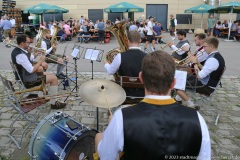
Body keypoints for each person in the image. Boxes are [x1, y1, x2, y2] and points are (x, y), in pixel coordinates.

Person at [95, 50, 211, 160]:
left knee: (98, 137)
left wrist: (110, 130)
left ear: (141, 78)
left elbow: (106, 156)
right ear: (173, 83)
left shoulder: (121, 117)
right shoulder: (197, 119)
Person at [11, 34, 66, 109]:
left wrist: (33, 53)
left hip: (25, 75)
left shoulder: (19, 51)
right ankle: (54, 103)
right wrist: (41, 60)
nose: (29, 44)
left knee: (50, 74)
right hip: (28, 80)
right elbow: (31, 70)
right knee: (54, 79)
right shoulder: (20, 55)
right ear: (22, 43)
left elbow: (30, 60)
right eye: (28, 43)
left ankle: (41, 95)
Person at [176, 37, 225, 107]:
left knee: (178, 84)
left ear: (212, 47)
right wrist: (198, 63)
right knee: (182, 76)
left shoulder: (213, 60)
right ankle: (177, 98)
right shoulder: (216, 56)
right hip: (207, 82)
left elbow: (199, 76)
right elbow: (205, 70)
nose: (203, 49)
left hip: (206, 86)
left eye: (205, 47)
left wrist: (194, 63)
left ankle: (191, 105)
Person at [104, 30, 146, 98]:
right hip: (142, 95)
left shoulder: (120, 56)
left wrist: (106, 63)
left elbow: (110, 71)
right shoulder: (148, 57)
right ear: (140, 40)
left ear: (128, 41)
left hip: (124, 94)